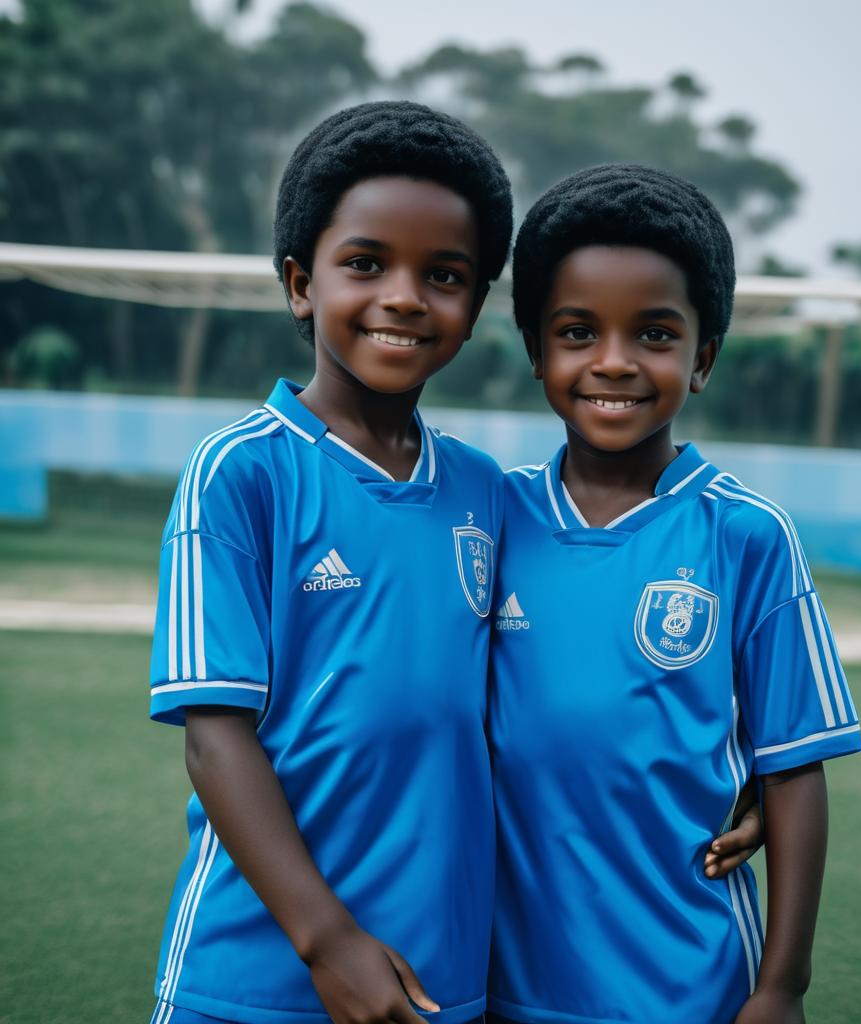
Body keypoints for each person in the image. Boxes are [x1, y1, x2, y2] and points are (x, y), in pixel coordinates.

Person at [147, 101, 514, 1024]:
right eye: (365, 263)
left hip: (440, 979)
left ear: (473, 309)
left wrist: (743, 775)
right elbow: (213, 736)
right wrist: (327, 940)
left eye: (444, 274)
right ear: (301, 283)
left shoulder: (487, 492)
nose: (403, 295)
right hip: (260, 974)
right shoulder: (242, 471)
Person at [486, 164, 861, 1024]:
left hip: (686, 987)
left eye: (654, 335)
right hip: (499, 981)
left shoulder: (745, 534)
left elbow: (793, 769)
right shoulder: (490, 516)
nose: (613, 361)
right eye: (577, 332)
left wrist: (781, 987)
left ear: (703, 358)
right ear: (537, 349)